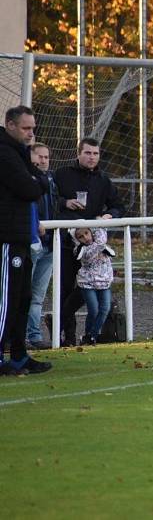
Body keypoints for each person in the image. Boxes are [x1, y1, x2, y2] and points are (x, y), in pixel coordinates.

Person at [53, 137, 125, 346]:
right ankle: (66, 336)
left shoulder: (103, 179)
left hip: (93, 250)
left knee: (86, 291)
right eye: (88, 153)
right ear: (79, 153)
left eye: (95, 153)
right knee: (64, 288)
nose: (92, 157)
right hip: (67, 243)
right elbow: (49, 200)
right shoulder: (63, 174)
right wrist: (65, 202)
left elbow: (118, 206)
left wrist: (108, 216)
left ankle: (72, 328)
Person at [0, 105, 53, 375]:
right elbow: (29, 187)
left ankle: (19, 355)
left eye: (33, 128)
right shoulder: (5, 152)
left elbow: (36, 183)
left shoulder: (19, 153)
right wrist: (39, 181)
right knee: (6, 300)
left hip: (23, 235)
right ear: (10, 125)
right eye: (26, 128)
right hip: (7, 238)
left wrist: (38, 180)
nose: (31, 133)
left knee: (22, 298)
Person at [26, 142, 58, 349]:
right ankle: (13, 336)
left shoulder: (51, 181)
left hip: (49, 246)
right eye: (40, 157)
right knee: (21, 294)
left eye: (46, 157)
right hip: (30, 244)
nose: (43, 161)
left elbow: (55, 204)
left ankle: (34, 336)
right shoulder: (25, 180)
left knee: (38, 296)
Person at [70, 227, 115, 345]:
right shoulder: (80, 250)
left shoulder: (101, 244)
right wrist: (100, 244)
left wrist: (101, 220)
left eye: (86, 233)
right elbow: (89, 256)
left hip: (104, 282)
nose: (85, 237)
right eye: (81, 236)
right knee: (93, 310)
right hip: (87, 283)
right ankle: (89, 335)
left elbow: (103, 240)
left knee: (105, 308)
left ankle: (90, 336)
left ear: (91, 232)